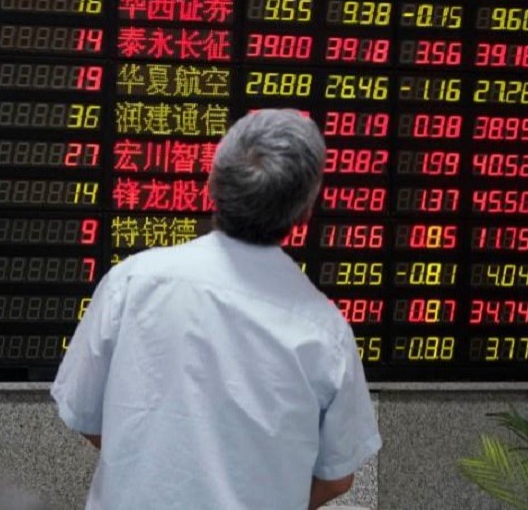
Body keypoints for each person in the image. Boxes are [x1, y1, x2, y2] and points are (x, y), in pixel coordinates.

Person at [52, 109, 381, 510]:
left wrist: (153, 464)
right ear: (305, 211)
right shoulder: (325, 332)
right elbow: (336, 477)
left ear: (212, 182)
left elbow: (85, 414)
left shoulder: (133, 283)